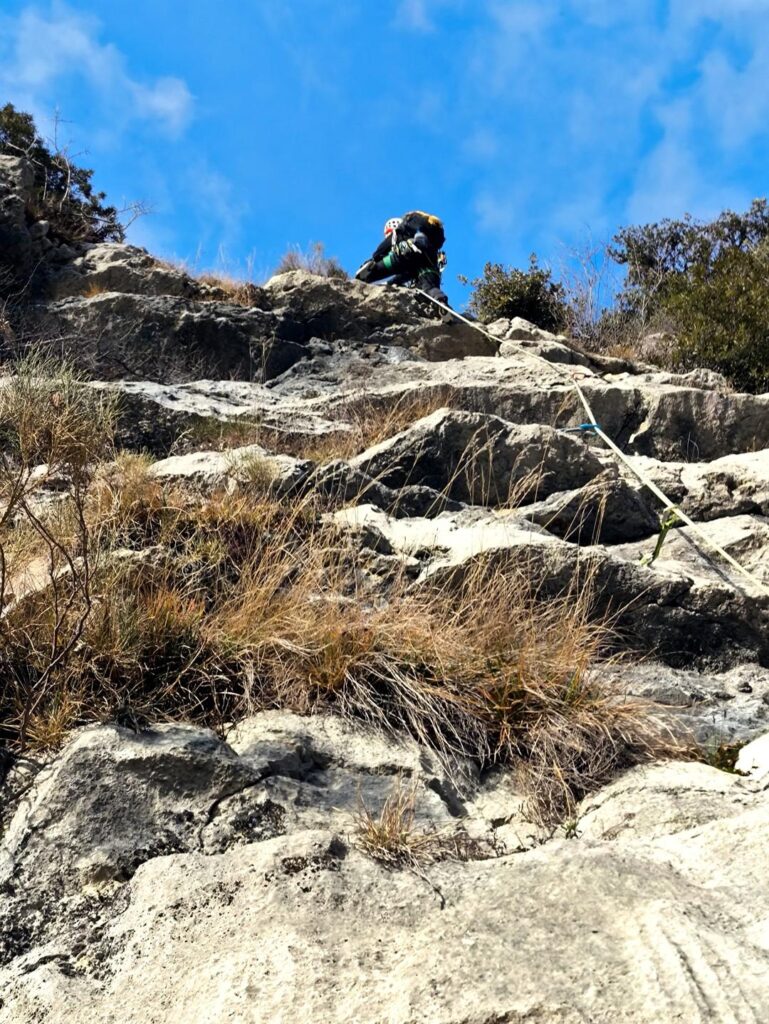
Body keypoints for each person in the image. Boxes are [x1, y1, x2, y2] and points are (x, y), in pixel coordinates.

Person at [355, 211, 450, 306]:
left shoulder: (402, 229)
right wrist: (390, 282)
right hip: (428, 259)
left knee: (383, 264)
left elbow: (385, 246)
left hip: (406, 252)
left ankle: (369, 272)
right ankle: (441, 302)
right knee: (430, 287)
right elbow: (407, 274)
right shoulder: (426, 236)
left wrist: (374, 258)